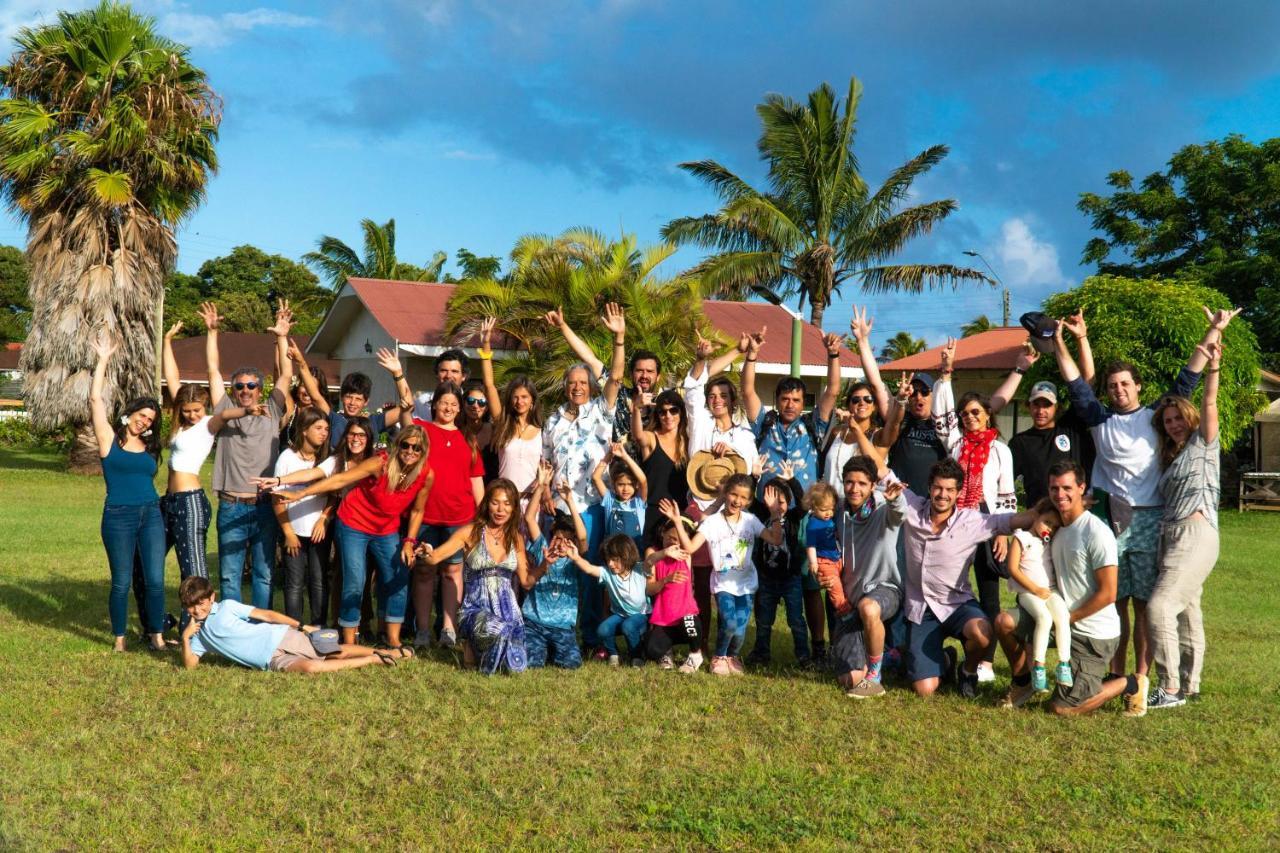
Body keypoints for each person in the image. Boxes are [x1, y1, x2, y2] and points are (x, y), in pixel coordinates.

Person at [1053, 306, 1229, 682]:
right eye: (1113, 385)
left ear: (1138, 387)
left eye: (1125, 384)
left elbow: (1189, 377)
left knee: (1146, 602)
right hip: (1109, 520)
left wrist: (1213, 330)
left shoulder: (1155, 416)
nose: (1118, 390)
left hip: (1151, 519)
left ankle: (1141, 676)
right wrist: (1058, 342)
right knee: (1114, 602)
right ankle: (1115, 674)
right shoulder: (1100, 421)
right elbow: (1075, 384)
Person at [864, 447, 1039, 698]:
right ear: (929, 487)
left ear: (958, 493)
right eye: (937, 488)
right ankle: (946, 660)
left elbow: (1013, 520)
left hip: (957, 604)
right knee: (925, 690)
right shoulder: (911, 506)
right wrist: (857, 430)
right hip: (921, 608)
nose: (942, 495)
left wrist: (1048, 511)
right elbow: (881, 468)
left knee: (982, 632)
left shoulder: (972, 521)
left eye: (949, 490)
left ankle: (968, 672)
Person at [995, 462, 1149, 717]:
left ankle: (1131, 683)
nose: (1060, 494)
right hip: (1059, 618)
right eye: (1054, 488)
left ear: (1082, 488)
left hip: (1093, 634)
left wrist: (1067, 619)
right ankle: (1023, 684)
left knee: (1062, 708)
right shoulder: (1054, 526)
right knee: (1003, 622)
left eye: (1067, 488)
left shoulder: (1096, 533)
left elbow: (1109, 593)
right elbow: (1030, 521)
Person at [270, 425, 433, 652]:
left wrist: (409, 541)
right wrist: (300, 493)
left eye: (417, 448)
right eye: (406, 445)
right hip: (354, 523)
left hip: (386, 529)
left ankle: (392, 638)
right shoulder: (380, 462)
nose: (410, 451)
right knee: (355, 579)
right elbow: (340, 480)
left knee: (398, 574)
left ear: (423, 451)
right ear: (398, 445)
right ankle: (348, 640)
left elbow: (417, 511)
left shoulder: (425, 474)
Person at [742, 325, 840, 660]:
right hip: (765, 514)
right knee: (763, 580)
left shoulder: (814, 424)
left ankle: (815, 647)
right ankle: (761, 645)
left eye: (796, 399)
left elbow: (832, 392)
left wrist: (833, 355)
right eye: (785, 398)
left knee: (809, 585)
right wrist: (752, 356)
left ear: (802, 402)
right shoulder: (765, 423)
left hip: (803, 517)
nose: (790, 404)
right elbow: (748, 392)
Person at [1147, 330, 1232, 709]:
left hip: (1196, 533)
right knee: (1187, 611)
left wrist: (1213, 364)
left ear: (1189, 417)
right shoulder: (1169, 457)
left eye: (1178, 417)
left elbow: (1210, 402)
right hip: (1172, 535)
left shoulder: (1203, 443)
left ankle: (1168, 689)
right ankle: (1190, 684)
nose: (1173, 425)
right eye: (1167, 421)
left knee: (1160, 607)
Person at [932, 337, 1018, 683]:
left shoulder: (1000, 450)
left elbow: (1007, 495)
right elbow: (941, 418)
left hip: (985, 521)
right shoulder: (955, 443)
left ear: (987, 415)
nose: (969, 419)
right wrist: (947, 373)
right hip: (955, 520)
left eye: (976, 413)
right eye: (965, 414)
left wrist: (1003, 534)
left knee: (989, 590)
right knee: (949, 583)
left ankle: (985, 661)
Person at [542, 302, 626, 655]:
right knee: (558, 574)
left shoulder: (601, 410)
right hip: (559, 507)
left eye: (582, 382)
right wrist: (544, 492)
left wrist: (618, 339)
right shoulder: (552, 420)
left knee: (590, 575)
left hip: (591, 506)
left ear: (590, 387)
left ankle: (590, 639)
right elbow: (545, 461)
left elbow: (617, 376)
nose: (577, 387)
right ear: (565, 388)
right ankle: (556, 633)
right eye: (571, 383)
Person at [160, 319, 258, 618]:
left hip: (191, 502)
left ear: (204, 409)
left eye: (196, 411)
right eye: (187, 411)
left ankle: (204, 625)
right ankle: (162, 622)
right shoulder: (182, 419)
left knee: (195, 570)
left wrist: (247, 409)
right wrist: (167, 341)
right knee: (149, 560)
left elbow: (226, 413)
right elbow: (172, 376)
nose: (191, 415)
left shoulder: (208, 424)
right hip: (168, 501)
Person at [202, 300, 294, 608]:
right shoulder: (226, 409)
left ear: (260, 388)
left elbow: (286, 377)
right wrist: (212, 333)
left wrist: (281, 337)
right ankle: (232, 627)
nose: (245, 389)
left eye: (251, 385)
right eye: (239, 385)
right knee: (229, 575)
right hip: (232, 505)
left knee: (264, 574)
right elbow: (213, 369)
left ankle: (261, 627)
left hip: (265, 506)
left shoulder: (272, 407)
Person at [660, 473, 784, 676]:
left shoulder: (750, 521)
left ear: (749, 500)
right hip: (723, 584)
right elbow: (690, 547)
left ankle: (732, 657)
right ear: (725, 493)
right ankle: (719, 656)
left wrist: (774, 514)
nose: (737, 500)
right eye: (734, 494)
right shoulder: (712, 522)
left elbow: (775, 540)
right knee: (730, 622)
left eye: (743, 497)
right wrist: (675, 519)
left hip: (746, 585)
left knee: (741, 630)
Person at [88, 333, 166, 653]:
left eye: (150, 419)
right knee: (121, 582)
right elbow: (95, 401)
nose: (144, 421)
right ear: (131, 413)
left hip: (151, 514)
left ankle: (156, 636)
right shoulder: (110, 440)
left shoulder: (150, 447)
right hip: (118, 516)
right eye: (142, 415)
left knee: (155, 581)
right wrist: (103, 359)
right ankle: (120, 639)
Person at [421, 479, 532, 675]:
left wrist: (546, 564)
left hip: (509, 613)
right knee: (499, 632)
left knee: (516, 667)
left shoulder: (516, 538)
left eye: (507, 504)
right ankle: (471, 642)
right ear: (486, 504)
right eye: (495, 502)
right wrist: (426, 552)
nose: (500, 509)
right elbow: (436, 557)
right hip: (476, 609)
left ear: (514, 508)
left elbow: (526, 582)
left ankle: (476, 651)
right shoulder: (470, 533)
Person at [405, 382, 485, 650]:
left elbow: (476, 480)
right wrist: (397, 375)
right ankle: (423, 630)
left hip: (460, 519)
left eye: (454, 404)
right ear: (434, 405)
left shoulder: (468, 439)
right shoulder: (423, 432)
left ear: (459, 407)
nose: (448, 408)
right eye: (444, 402)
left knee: (453, 572)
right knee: (424, 571)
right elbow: (406, 413)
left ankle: (449, 629)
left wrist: (483, 518)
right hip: (425, 516)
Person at [178, 576, 399, 672]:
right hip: (270, 661)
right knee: (312, 668)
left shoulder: (226, 607)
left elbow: (267, 615)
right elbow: (190, 666)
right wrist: (186, 638)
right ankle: (372, 659)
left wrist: (302, 626)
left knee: (334, 652)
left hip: (279, 636)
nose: (197, 610)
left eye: (201, 603)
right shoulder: (199, 636)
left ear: (212, 597)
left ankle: (385, 652)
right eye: (191, 606)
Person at [826, 448, 907, 699]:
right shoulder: (838, 511)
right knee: (849, 679)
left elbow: (899, 513)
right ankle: (891, 657)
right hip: (851, 600)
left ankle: (875, 677)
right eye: (849, 482)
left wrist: (895, 499)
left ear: (873, 485)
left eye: (862, 483)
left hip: (885, 589)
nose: (854, 488)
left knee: (870, 608)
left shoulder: (883, 509)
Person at [1007, 313, 1096, 509]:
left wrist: (1081, 338)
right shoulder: (1020, 443)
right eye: (1036, 404)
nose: (1040, 410)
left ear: (1057, 407)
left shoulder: (1071, 427)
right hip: (1039, 522)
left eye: (1046, 405)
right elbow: (1004, 487)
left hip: (1077, 516)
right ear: (1028, 406)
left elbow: (1087, 382)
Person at [544, 304, 662, 445]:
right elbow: (589, 359)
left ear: (658, 376)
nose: (644, 375)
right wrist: (562, 326)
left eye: (650, 371)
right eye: (639, 370)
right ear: (631, 374)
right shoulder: (617, 394)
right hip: (609, 466)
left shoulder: (665, 408)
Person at [271, 406, 334, 626]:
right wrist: (288, 532)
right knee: (294, 583)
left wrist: (323, 519)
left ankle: (319, 626)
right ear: (304, 430)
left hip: (319, 531)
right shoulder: (287, 458)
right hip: (293, 531)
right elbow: (277, 498)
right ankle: (294, 628)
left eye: (326, 428)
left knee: (318, 581)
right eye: (318, 428)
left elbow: (335, 494)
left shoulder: (328, 458)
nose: (323, 433)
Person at [520, 466, 588, 669]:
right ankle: (541, 649)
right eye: (558, 537)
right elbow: (529, 518)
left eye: (568, 540)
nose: (561, 543)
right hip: (534, 622)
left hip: (562, 627)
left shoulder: (574, 559)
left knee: (572, 663)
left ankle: (553, 649)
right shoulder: (542, 547)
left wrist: (570, 502)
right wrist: (541, 486)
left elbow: (583, 538)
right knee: (532, 662)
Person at [744, 466, 810, 667]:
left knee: (796, 620)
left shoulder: (792, 517)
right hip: (766, 579)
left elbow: (805, 504)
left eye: (780, 502)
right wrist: (754, 477)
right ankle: (761, 652)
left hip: (791, 579)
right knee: (764, 620)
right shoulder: (761, 513)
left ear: (788, 503)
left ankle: (803, 655)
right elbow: (749, 498)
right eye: (771, 501)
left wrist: (791, 481)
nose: (775, 506)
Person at [289, 340, 411, 448]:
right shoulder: (334, 419)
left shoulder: (374, 422)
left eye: (358, 399)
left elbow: (408, 405)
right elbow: (315, 396)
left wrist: (398, 373)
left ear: (366, 401)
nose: (352, 403)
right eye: (349, 397)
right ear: (342, 397)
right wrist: (301, 362)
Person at [823, 306, 895, 489]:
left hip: (862, 512)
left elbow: (877, 384)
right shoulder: (837, 432)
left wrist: (863, 341)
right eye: (855, 399)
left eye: (868, 399)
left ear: (875, 406)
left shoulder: (879, 435)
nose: (861, 403)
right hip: (829, 509)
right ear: (848, 405)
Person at [1005, 500, 1072, 692]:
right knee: (1044, 618)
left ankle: (1064, 663)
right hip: (1028, 592)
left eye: (1054, 526)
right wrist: (1034, 589)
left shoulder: (1050, 543)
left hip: (1049, 590)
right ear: (1036, 517)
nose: (1050, 529)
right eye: (1047, 522)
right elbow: (1012, 568)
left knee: (1063, 616)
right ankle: (1038, 666)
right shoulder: (1022, 538)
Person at [478, 318, 544, 504]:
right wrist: (486, 344)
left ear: (532, 401)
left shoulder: (542, 431)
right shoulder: (503, 424)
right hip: (504, 504)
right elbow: (489, 385)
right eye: (515, 397)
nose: (519, 401)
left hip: (532, 504)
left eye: (524, 397)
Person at [567, 534, 651, 666]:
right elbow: (589, 568)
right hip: (620, 615)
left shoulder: (640, 569)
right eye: (608, 560)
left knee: (628, 626)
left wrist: (666, 552)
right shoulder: (608, 573)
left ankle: (636, 655)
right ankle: (613, 654)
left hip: (640, 614)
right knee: (603, 629)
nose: (610, 564)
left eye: (615, 559)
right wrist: (576, 558)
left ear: (626, 556)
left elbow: (652, 560)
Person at [642, 518, 704, 673]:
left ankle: (695, 655)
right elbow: (649, 584)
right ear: (662, 533)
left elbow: (690, 545)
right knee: (651, 650)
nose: (674, 543)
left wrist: (677, 519)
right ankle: (666, 652)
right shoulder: (653, 552)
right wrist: (665, 579)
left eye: (678, 540)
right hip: (664, 620)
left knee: (690, 622)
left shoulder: (686, 555)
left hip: (685, 617)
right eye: (670, 538)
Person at [630, 387, 690, 543]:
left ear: (681, 412)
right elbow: (638, 435)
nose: (668, 415)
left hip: (679, 515)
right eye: (662, 412)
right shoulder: (651, 438)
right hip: (651, 512)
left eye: (673, 410)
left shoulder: (689, 442)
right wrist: (636, 409)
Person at [592, 441, 648, 556]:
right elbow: (596, 477)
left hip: (635, 556)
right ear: (613, 484)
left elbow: (643, 480)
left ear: (636, 485)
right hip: (612, 556)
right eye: (621, 484)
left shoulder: (638, 502)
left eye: (630, 484)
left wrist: (625, 457)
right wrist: (609, 455)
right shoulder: (609, 500)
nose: (626, 488)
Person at [803, 481, 849, 617]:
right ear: (813, 507)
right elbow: (811, 546)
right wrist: (813, 563)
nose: (829, 513)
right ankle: (842, 606)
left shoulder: (829, 519)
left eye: (832, 509)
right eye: (824, 510)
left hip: (837, 558)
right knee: (834, 585)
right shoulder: (813, 524)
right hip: (824, 561)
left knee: (843, 583)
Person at [411, 348, 469, 422]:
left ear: (464, 376)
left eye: (454, 371)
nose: (448, 376)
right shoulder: (422, 402)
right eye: (443, 371)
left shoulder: (471, 403)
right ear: (437, 374)